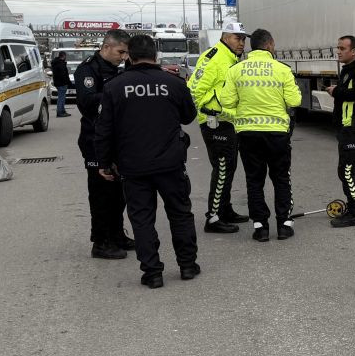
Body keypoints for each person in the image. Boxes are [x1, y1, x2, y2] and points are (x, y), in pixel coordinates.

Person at [94, 34, 199, 289]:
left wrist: (104, 163)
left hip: (133, 166)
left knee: (141, 219)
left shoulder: (115, 86)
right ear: (156, 55)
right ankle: (187, 265)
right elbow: (188, 117)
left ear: (129, 56)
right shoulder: (173, 83)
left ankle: (152, 273)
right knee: (180, 214)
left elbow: (104, 130)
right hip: (171, 164)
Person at [218, 28, 301, 242]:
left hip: (248, 134)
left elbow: (226, 102)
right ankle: (284, 225)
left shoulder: (236, 69)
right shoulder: (281, 69)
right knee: (281, 178)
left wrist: (243, 114)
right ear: (270, 44)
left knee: (254, 181)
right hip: (277, 134)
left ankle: (260, 227)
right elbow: (294, 101)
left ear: (251, 46)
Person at [75, 28, 135, 259]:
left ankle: (117, 234)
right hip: (94, 140)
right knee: (101, 193)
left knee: (118, 193)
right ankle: (100, 242)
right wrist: (116, 94)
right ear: (106, 46)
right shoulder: (88, 69)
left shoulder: (118, 70)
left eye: (126, 53)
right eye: (120, 52)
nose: (123, 56)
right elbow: (88, 103)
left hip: (116, 139)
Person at [186, 20, 249, 234]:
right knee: (222, 168)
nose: (241, 43)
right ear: (224, 37)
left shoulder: (231, 58)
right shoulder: (213, 57)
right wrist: (209, 111)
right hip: (215, 122)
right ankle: (212, 218)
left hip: (228, 120)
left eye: (243, 39)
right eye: (237, 38)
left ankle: (225, 209)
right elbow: (193, 90)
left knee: (229, 168)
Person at [326, 34, 355, 228]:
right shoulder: (348, 70)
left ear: (354, 51)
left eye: (342, 48)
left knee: (346, 170)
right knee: (354, 168)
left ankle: (354, 212)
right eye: (338, 48)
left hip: (354, 128)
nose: (338, 51)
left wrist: (336, 91)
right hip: (346, 128)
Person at [50, 50, 71, 117]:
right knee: (61, 98)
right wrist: (68, 82)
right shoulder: (60, 64)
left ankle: (62, 111)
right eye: (65, 56)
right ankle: (60, 112)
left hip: (58, 83)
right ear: (64, 56)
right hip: (62, 83)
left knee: (62, 97)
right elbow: (63, 74)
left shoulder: (56, 62)